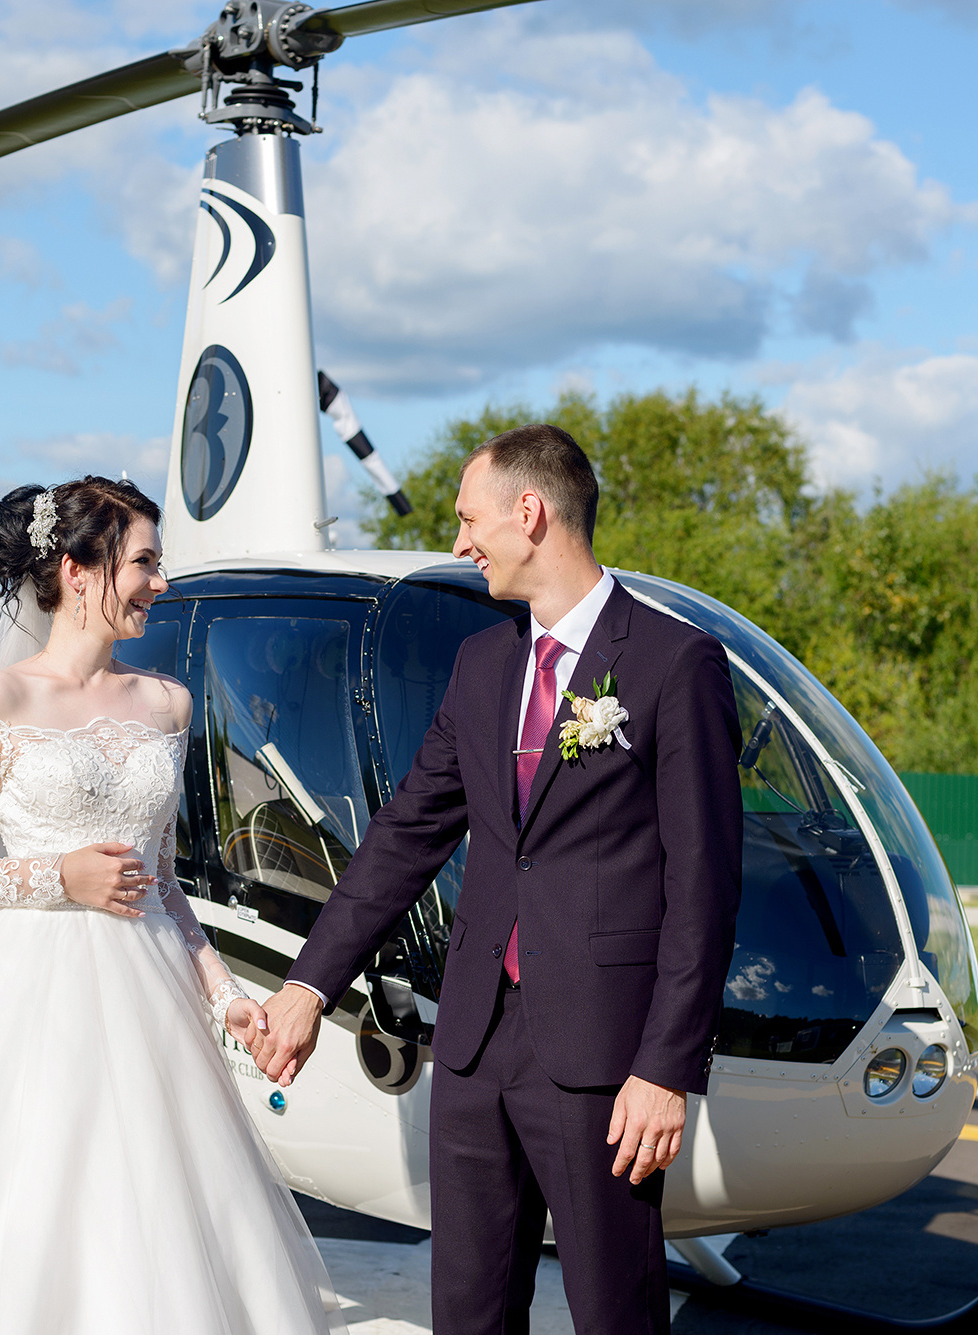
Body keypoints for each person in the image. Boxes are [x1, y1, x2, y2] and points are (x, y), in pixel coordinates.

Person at [0, 477, 341, 1334]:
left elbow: (162, 884)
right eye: (145, 562)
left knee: (154, 1225)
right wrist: (58, 877)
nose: (160, 583)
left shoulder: (166, 704)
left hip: (151, 1000)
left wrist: (228, 996)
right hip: (23, 1002)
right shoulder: (0, 701)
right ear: (78, 569)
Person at [255, 425, 743, 1335]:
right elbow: (406, 835)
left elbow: (706, 887)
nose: (460, 542)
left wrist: (665, 1068)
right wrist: (310, 982)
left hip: (606, 1056)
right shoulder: (482, 666)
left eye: (468, 518)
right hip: (474, 1041)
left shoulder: (675, 664)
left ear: (531, 512)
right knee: (468, 1312)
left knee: (615, 1313)